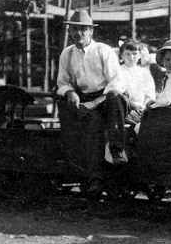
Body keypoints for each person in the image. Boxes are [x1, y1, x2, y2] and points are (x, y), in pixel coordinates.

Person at [55, 10, 129, 176]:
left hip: (109, 98)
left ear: (91, 31)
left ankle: (117, 149)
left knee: (114, 98)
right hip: (86, 99)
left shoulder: (103, 51)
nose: (78, 33)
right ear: (69, 32)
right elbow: (62, 82)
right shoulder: (67, 54)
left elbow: (117, 82)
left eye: (83, 29)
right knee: (93, 124)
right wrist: (69, 93)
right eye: (74, 29)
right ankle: (95, 177)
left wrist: (94, 103)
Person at [118, 41, 156, 124]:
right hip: (126, 109)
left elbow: (150, 94)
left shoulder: (144, 72)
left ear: (139, 55)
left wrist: (144, 106)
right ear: (121, 55)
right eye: (127, 54)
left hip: (142, 108)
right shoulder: (118, 71)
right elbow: (118, 93)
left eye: (134, 54)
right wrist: (130, 106)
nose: (131, 57)